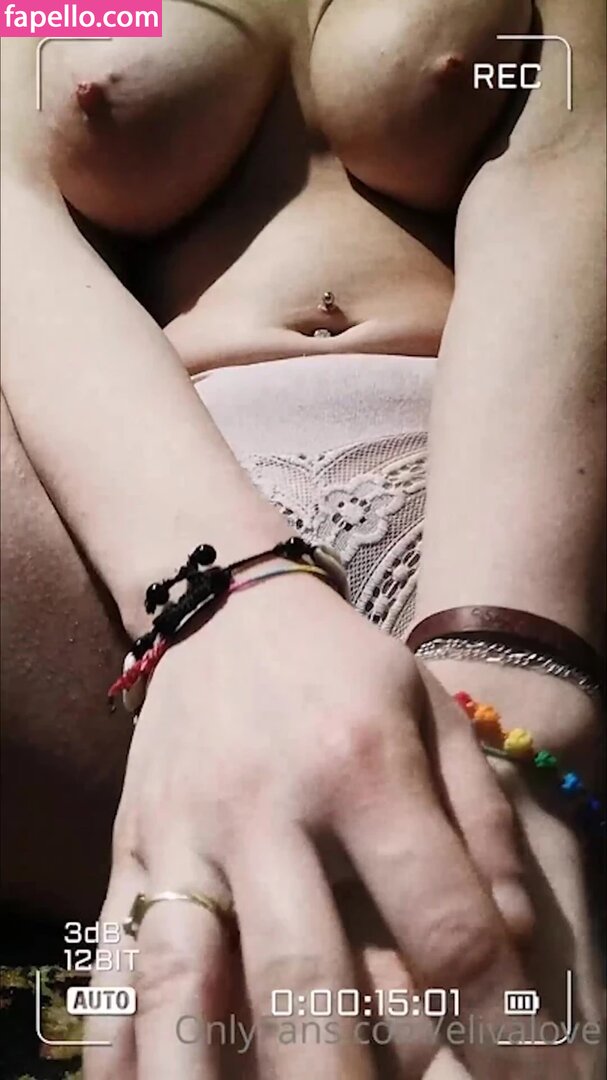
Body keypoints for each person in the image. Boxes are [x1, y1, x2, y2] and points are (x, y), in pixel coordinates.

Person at [1, 1, 604, 1077]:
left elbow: (568, 158)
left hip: (518, 494)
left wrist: (507, 651)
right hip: (119, 540)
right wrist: (220, 600)